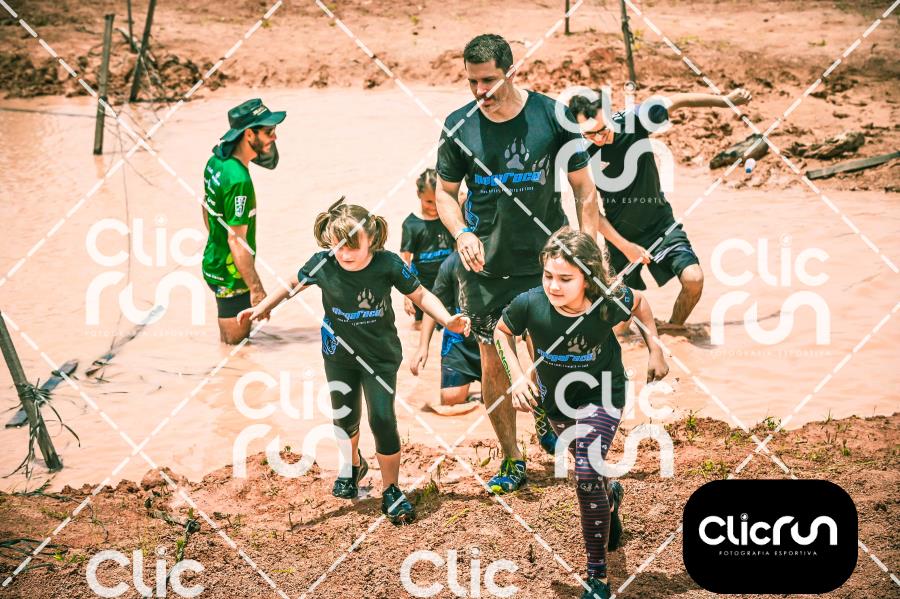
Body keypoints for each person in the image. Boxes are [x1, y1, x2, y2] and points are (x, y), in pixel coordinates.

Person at [436, 33, 622, 494]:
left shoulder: (552, 116)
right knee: (492, 358)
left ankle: (546, 415)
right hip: (485, 266)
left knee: (547, 349)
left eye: (489, 80)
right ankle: (511, 458)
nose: (480, 91)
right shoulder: (458, 126)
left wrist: (588, 253)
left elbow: (584, 190)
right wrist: (461, 233)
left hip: (547, 263)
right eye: (472, 82)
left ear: (512, 72)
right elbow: (444, 193)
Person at [238, 198, 470, 525]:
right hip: (338, 355)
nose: (344, 254)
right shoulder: (323, 263)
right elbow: (292, 284)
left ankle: (391, 489)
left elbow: (420, 294)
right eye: (338, 246)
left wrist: (447, 320)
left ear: (371, 240)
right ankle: (353, 466)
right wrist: (264, 306)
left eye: (352, 246)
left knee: (382, 419)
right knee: (344, 418)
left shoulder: (387, 264)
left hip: (381, 356)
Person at [494, 227, 669, 599]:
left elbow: (640, 303)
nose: (553, 286)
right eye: (548, 276)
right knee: (593, 474)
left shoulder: (607, 301)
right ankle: (611, 494)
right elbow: (501, 332)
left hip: (605, 393)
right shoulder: (529, 303)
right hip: (557, 402)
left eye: (565, 279)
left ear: (588, 278)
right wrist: (517, 376)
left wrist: (656, 349)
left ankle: (597, 578)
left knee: (585, 472)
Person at [568, 87, 752, 326]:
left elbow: (677, 100)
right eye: (590, 133)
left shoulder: (634, 121)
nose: (599, 138)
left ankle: (674, 329)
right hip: (619, 236)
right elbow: (590, 211)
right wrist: (626, 247)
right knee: (619, 326)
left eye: (603, 129)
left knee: (694, 279)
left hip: (660, 226)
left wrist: (725, 100)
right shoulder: (582, 152)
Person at [201, 98, 285, 344]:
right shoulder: (239, 181)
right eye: (268, 131)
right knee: (235, 349)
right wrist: (257, 291)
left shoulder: (217, 161)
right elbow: (237, 240)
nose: (274, 137)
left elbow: (206, 205)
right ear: (249, 134)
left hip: (216, 260)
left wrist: (218, 239)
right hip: (232, 274)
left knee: (235, 348)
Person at [410, 251, 482, 414]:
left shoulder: (504, 260)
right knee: (450, 401)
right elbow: (432, 304)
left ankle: (482, 396)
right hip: (458, 342)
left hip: (491, 342)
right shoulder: (452, 262)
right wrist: (423, 346)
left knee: (496, 400)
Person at [400, 169, 454, 328]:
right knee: (420, 325)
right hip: (422, 287)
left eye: (437, 201)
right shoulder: (411, 224)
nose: (434, 207)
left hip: (448, 283)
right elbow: (405, 260)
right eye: (429, 202)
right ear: (419, 194)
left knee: (449, 324)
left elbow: (457, 248)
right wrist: (407, 294)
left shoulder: (448, 217)